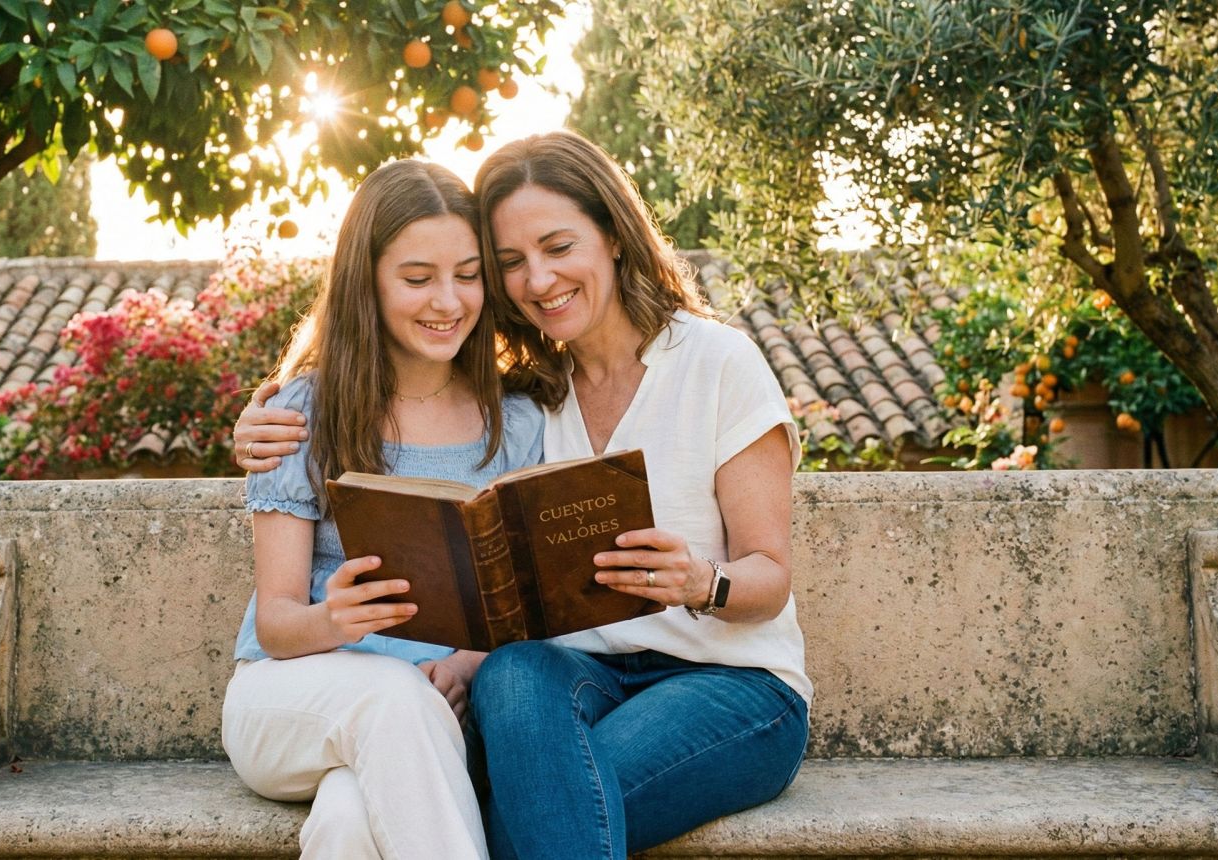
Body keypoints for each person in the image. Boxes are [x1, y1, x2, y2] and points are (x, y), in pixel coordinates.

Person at [233, 130, 810, 859]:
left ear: (615, 237)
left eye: (558, 247)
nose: (538, 280)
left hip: (723, 680)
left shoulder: (716, 363)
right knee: (507, 676)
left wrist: (702, 580)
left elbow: (771, 577)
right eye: (511, 262)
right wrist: (260, 421)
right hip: (577, 679)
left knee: (519, 814)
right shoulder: (540, 395)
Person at [220, 159, 544, 860]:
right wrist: (330, 620)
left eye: (468, 274)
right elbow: (276, 625)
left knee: (345, 826)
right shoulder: (304, 413)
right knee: (394, 699)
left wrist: (466, 665)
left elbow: (525, 600)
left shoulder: (515, 423)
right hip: (291, 699)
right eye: (417, 278)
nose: (448, 301)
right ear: (367, 280)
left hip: (431, 724)